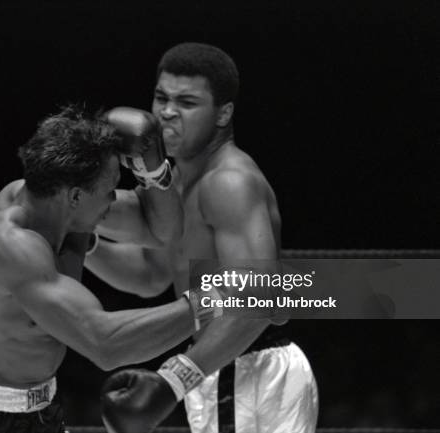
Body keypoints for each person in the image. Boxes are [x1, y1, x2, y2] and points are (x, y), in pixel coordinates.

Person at [0, 105, 240, 433]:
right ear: (75, 196)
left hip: (42, 407)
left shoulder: (60, 207)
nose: (115, 197)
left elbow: (161, 230)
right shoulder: (9, 245)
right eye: (109, 189)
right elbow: (105, 342)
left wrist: (152, 172)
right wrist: (218, 298)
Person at [86, 43, 318, 433]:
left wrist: (174, 379)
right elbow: (151, 275)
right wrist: (82, 242)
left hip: (246, 366)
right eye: (161, 97)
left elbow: (261, 297)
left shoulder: (228, 182)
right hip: (223, 364)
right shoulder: (176, 182)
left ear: (223, 113)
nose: (167, 112)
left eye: (187, 102)